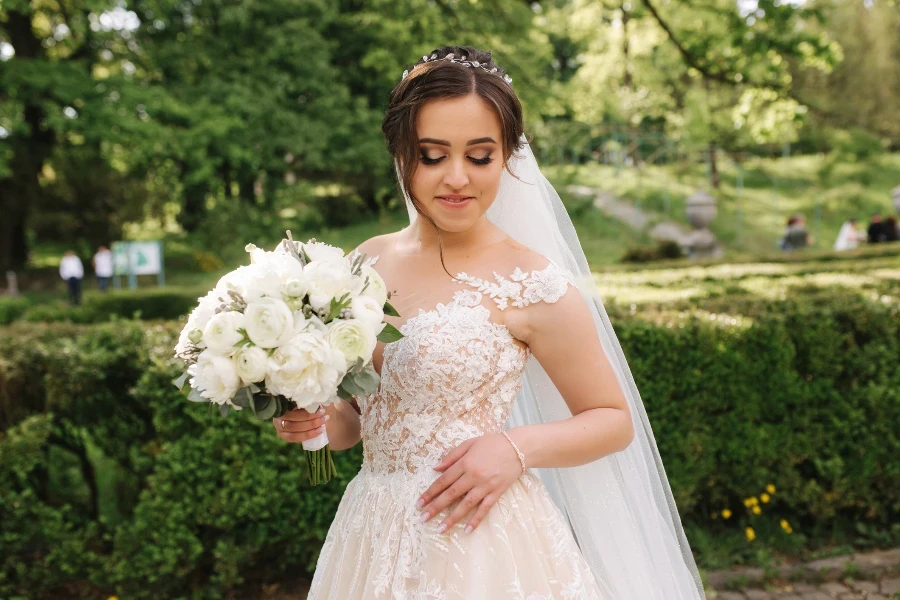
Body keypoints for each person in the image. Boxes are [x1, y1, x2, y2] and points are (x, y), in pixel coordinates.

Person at [274, 46, 705, 599]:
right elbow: (357, 422)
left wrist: (515, 448)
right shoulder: (365, 264)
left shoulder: (533, 281)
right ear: (402, 154)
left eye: (480, 156)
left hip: (483, 542)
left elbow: (612, 419)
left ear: (507, 157)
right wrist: (313, 419)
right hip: (372, 534)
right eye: (433, 156)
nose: (457, 178)